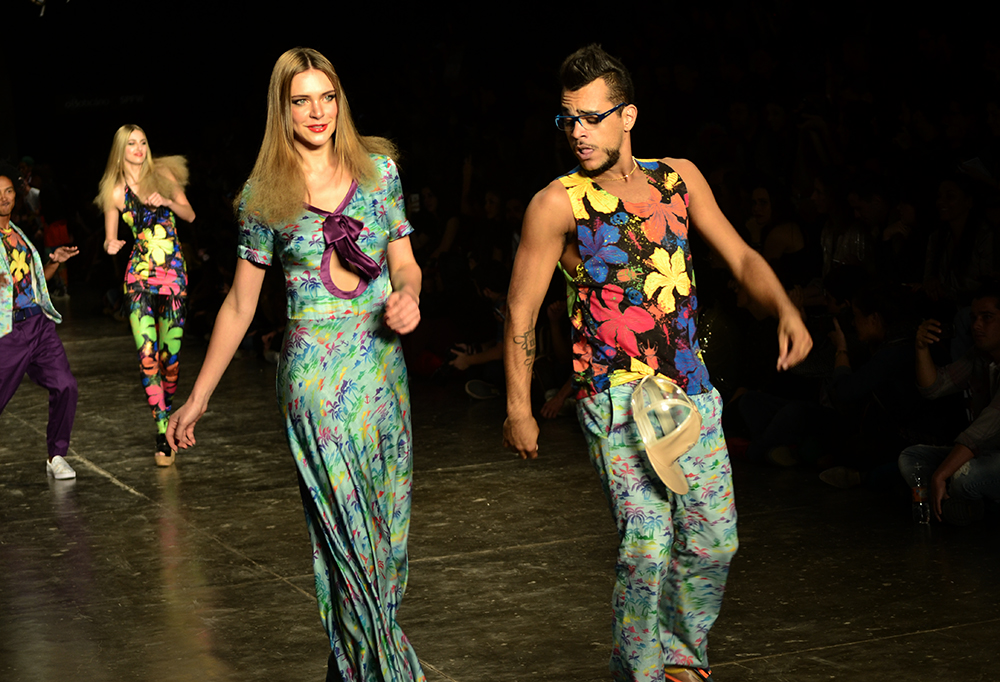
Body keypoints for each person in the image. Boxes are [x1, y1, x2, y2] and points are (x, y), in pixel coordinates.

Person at [502, 45, 812, 682]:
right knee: (647, 545)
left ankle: (680, 661)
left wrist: (785, 307)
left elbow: (741, 256)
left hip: (688, 389)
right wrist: (518, 408)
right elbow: (521, 311)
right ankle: (638, 674)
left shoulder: (679, 179)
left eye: (592, 117)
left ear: (628, 116)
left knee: (714, 540)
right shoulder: (558, 204)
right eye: (568, 119)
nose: (578, 132)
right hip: (612, 395)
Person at [166, 48, 424, 681]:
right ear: (281, 110)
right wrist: (198, 397)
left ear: (341, 101)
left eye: (326, 97)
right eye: (301, 100)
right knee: (350, 539)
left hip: (382, 370)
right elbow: (239, 304)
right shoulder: (264, 196)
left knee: (387, 541)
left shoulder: (380, 173)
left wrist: (409, 296)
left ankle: (350, 668)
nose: (317, 112)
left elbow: (405, 262)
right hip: (315, 381)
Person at [96, 124, 196, 466]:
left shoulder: (163, 175)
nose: (138, 148)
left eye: (142, 142)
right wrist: (111, 244)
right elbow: (110, 238)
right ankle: (162, 431)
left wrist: (166, 200)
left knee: (171, 360)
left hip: (174, 275)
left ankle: (167, 413)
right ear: (120, 150)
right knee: (148, 355)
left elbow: (190, 214)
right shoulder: (114, 191)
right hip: (138, 276)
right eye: (131, 143)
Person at [0, 164, 80, 479]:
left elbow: (34, 284)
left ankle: (56, 455)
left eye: (8, 191)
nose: (4, 198)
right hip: (7, 331)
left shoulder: (19, 235)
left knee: (65, 385)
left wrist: (53, 262)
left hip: (38, 324)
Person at [899, 281, 1000, 525]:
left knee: (966, 475)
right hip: (985, 452)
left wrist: (941, 474)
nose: (976, 325)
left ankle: (966, 504)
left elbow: (982, 430)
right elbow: (933, 387)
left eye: (987, 317)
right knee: (912, 458)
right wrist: (921, 348)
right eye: (974, 317)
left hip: (989, 455)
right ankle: (957, 504)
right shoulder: (979, 356)